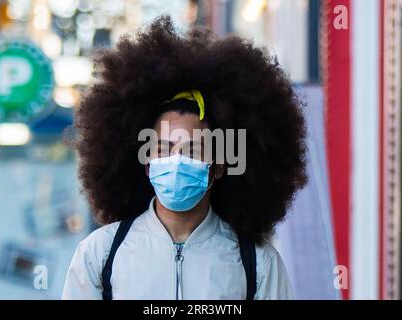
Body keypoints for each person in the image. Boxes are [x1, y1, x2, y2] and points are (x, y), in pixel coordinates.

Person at [62, 15, 307, 300]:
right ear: (146, 161)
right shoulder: (101, 255)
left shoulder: (256, 264)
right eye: (163, 148)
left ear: (219, 166)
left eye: (192, 149)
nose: (176, 161)